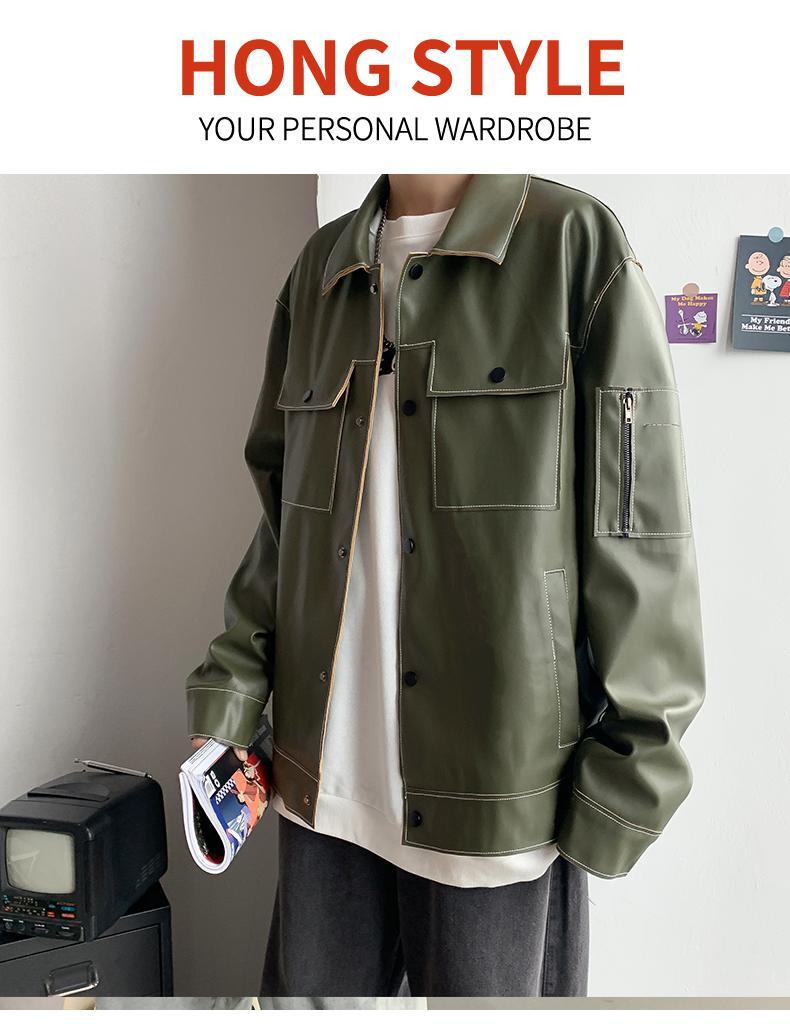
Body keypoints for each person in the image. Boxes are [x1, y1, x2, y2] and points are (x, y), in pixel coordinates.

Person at [187, 174, 705, 997]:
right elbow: (283, 524)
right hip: (322, 794)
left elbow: (637, 530)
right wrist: (230, 701)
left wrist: (632, 776)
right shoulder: (322, 270)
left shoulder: (573, 246)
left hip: (498, 806)